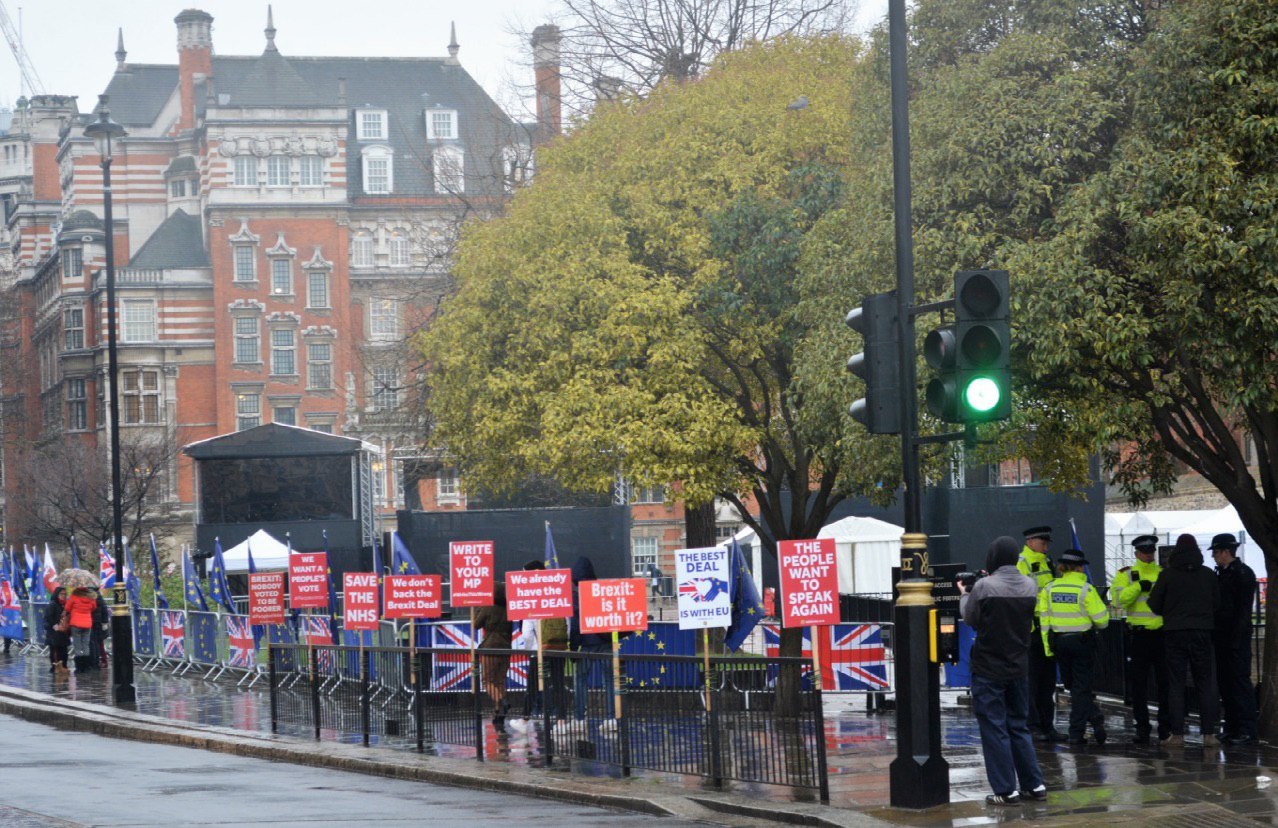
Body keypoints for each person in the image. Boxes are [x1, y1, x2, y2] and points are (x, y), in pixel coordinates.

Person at [960, 535, 1046, 806]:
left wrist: (964, 593)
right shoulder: (1030, 585)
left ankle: (1005, 789)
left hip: (989, 667)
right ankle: (1034, 785)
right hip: (1019, 666)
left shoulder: (984, 586)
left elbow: (971, 618)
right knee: (1019, 726)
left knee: (994, 727)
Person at [1148, 534, 1220, 747]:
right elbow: (1218, 603)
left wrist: (1171, 613)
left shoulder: (1168, 575)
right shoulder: (1208, 575)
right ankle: (1209, 734)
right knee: (1205, 682)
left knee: (1176, 683)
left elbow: (1154, 604)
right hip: (1202, 632)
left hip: (1175, 633)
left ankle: (1177, 735)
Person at [1038, 550, 1109, 746]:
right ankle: (1077, 731)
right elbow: (1102, 621)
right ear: (1080, 567)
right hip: (1082, 643)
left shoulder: (1049, 588)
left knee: (1073, 686)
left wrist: (1047, 648)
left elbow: (1044, 621)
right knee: (1081, 689)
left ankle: (1094, 718)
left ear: (1061, 567)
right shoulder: (1086, 589)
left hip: (1059, 643)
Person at [1110, 534, 1170, 744]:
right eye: (1144, 552)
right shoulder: (1126, 575)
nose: (1148, 555)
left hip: (1162, 635)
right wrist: (1137, 587)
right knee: (1139, 686)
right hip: (1140, 635)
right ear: (1136, 553)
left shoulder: (1163, 573)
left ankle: (1165, 727)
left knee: (1165, 684)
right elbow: (1117, 601)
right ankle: (1142, 727)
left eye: (1151, 551)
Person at [1210, 533, 1259, 745]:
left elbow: (1242, 611)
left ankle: (1247, 729)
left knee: (1239, 682)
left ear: (1225, 552)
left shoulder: (1242, 573)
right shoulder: (1223, 573)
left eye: (1215, 552)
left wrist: (1236, 638)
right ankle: (1231, 726)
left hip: (1235, 638)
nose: (1213, 556)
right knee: (1226, 684)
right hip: (1222, 636)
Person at [1017, 525, 1061, 742]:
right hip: (1033, 630)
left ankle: (1047, 725)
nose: (1045, 547)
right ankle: (1033, 725)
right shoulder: (1022, 563)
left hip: (1049, 629)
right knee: (1033, 681)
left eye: (1047, 543)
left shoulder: (1048, 562)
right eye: (1042, 542)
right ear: (1030, 541)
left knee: (1048, 681)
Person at [569, 556, 613, 724]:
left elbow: (574, 626)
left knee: (580, 682)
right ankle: (611, 718)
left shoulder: (577, 597)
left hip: (586, 645)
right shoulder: (602, 591)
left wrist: (573, 649)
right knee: (609, 681)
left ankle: (580, 718)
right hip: (605, 642)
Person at [472, 584, 512, 729]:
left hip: (490, 648)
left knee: (487, 681)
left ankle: (502, 702)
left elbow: (476, 624)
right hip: (506, 649)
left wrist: (478, 607)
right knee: (499, 681)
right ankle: (498, 714)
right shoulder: (508, 609)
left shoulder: (488, 607)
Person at [64, 586, 99, 674]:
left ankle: (79, 668)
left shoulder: (74, 596)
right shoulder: (91, 597)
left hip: (76, 624)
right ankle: (86, 667)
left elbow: (67, 608)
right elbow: (94, 608)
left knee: (77, 645)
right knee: (86, 645)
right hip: (87, 624)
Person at [44, 587, 70, 674]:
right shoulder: (52, 604)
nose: (64, 596)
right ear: (57, 594)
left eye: (65, 594)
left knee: (64, 650)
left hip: (63, 631)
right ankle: (55, 667)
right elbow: (48, 617)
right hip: (54, 632)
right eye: (61, 594)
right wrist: (54, 625)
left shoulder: (65, 605)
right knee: (55, 650)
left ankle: (64, 666)